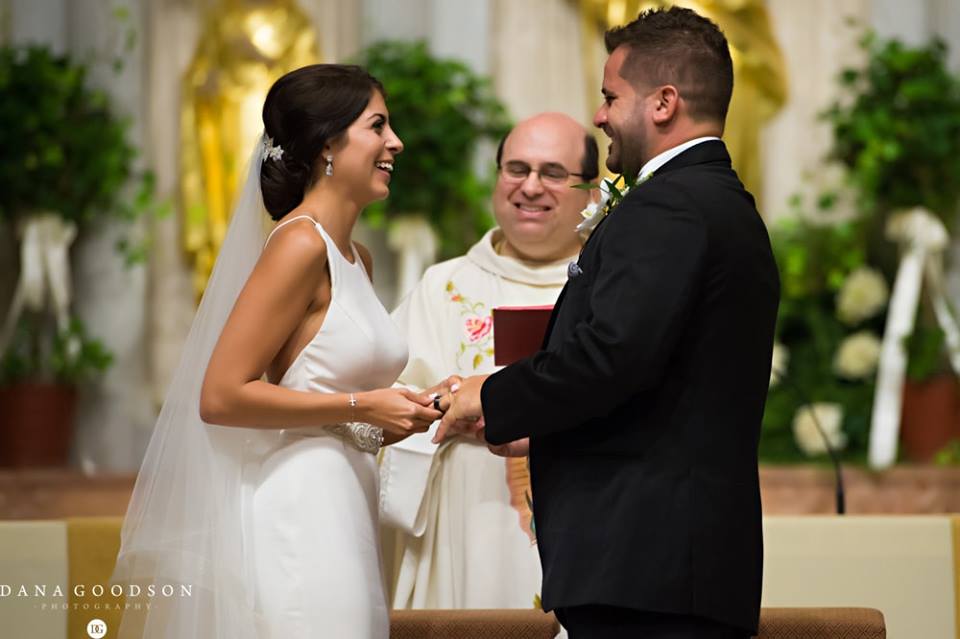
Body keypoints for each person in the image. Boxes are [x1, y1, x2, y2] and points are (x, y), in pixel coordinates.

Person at [436, 8, 780, 639]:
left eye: (610, 96)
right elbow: (660, 391)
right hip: (675, 569)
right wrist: (542, 429)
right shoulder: (722, 202)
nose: (598, 116)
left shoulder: (671, 205)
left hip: (648, 572)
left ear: (664, 102)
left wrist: (488, 393)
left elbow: (611, 355)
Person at [112, 64, 443, 638]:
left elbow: (313, 392)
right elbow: (220, 396)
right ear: (326, 147)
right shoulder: (298, 243)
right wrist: (362, 405)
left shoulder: (355, 258)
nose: (396, 142)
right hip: (301, 509)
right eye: (378, 125)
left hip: (346, 497)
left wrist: (391, 418)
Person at [380, 112, 599, 609]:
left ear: (590, 193)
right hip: (468, 526)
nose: (530, 187)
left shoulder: (611, 289)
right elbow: (382, 405)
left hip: (591, 524)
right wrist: (446, 405)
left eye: (553, 173)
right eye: (516, 169)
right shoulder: (444, 287)